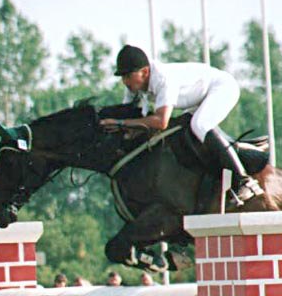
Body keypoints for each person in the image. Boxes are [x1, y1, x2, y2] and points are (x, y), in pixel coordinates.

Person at [99, 44, 264, 205]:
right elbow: (129, 114)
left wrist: (121, 123)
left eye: (128, 76)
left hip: (221, 87)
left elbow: (161, 121)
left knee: (199, 125)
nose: (124, 81)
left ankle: (244, 181)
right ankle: (236, 151)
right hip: (200, 98)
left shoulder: (163, 79)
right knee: (184, 128)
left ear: (145, 72)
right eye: (122, 77)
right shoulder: (134, 86)